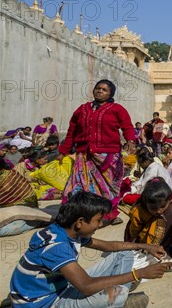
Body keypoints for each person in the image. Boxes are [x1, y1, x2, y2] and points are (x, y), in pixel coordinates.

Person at [9, 191, 172, 308]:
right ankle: (112, 305)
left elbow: (109, 246)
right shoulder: (56, 247)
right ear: (80, 222)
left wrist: (145, 246)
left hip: (61, 288)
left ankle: (115, 292)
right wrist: (139, 274)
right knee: (119, 295)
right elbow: (86, 286)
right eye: (98, 220)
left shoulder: (67, 231)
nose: (101, 224)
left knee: (124, 254)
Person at [58, 79, 136, 225]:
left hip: (108, 157)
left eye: (104, 90)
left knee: (107, 189)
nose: (100, 91)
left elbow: (127, 127)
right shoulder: (82, 109)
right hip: (84, 156)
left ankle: (108, 215)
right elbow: (71, 131)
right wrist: (63, 150)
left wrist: (131, 141)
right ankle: (74, 216)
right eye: (98, 88)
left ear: (110, 93)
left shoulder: (117, 109)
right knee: (77, 187)